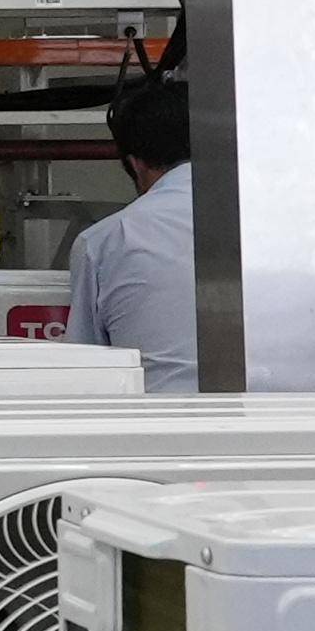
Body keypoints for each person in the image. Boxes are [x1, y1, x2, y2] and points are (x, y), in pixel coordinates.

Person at [67, 72, 198, 392]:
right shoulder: (281, 227)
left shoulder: (106, 240)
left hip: (157, 419)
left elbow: (84, 369)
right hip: (294, 417)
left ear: (136, 164)